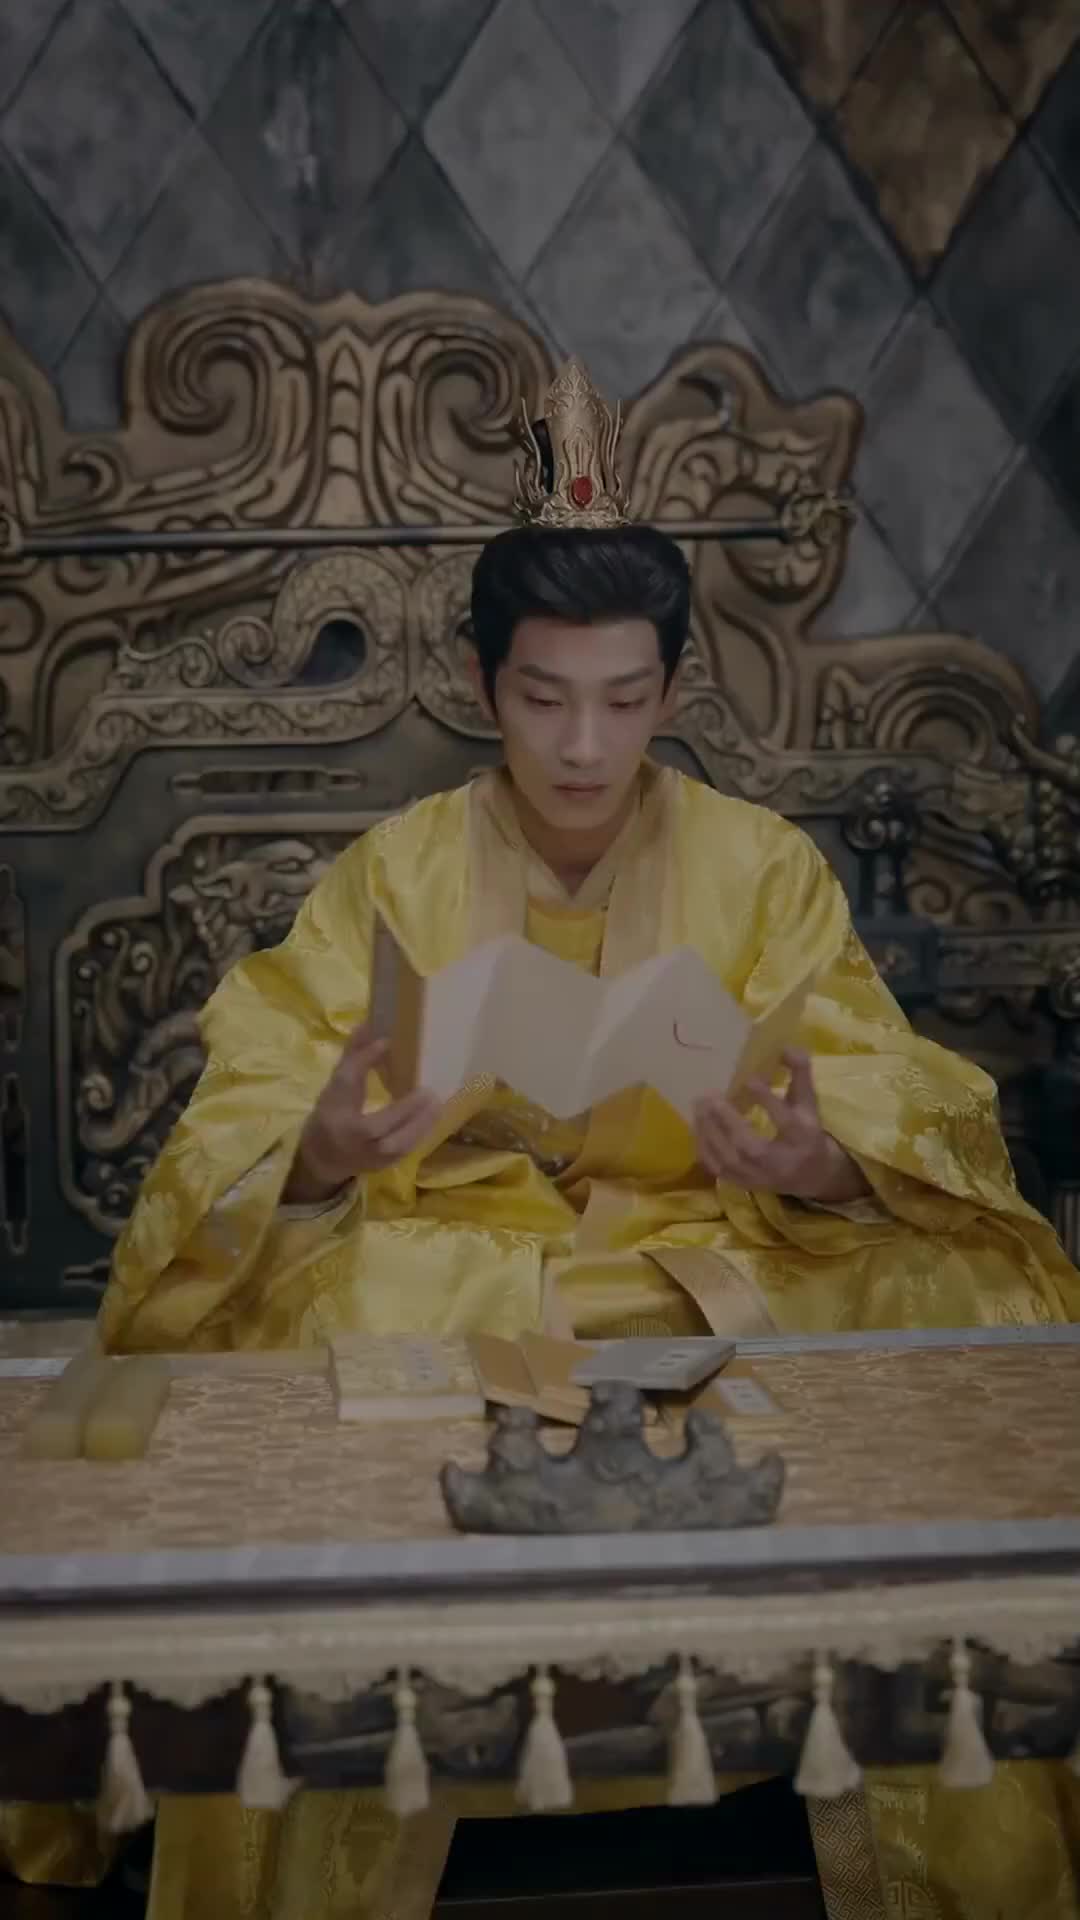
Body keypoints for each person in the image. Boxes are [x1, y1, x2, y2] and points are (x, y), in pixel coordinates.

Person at [5, 358, 1079, 1917]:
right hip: (462, 1266)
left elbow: (894, 1084)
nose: (583, 745)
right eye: (544, 697)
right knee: (323, 1314)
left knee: (960, 1299)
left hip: (710, 1255)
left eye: (624, 701)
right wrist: (326, 1146)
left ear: (674, 692)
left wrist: (820, 1158)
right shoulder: (403, 871)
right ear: (481, 681)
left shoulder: (761, 867)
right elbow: (245, 1102)